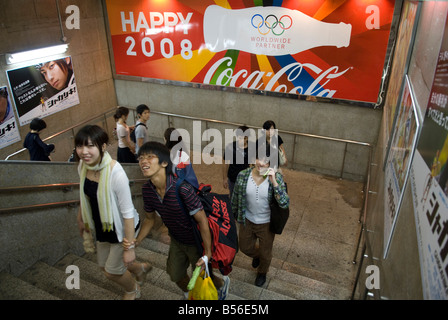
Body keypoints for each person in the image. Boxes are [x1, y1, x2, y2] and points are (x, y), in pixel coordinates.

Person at [126, 141, 228, 299]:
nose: (143, 161)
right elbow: (149, 219)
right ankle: (190, 294)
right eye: (140, 158)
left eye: (149, 157)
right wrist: (137, 240)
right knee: (175, 274)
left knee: (204, 275)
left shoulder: (182, 188)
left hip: (195, 241)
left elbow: (202, 220)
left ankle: (221, 284)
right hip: (176, 240)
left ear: (164, 162)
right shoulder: (147, 190)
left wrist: (207, 253)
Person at [74, 124, 150, 300]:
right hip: (102, 227)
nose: (84, 151)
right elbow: (85, 196)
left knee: (111, 272)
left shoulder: (115, 172)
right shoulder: (83, 167)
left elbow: (128, 213)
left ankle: (133, 289)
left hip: (121, 228)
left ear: (102, 147)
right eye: (79, 146)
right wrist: (80, 218)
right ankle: (139, 268)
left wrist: (129, 247)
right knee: (103, 266)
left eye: (90, 145)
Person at [231, 149, 289, 287]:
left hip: (266, 224)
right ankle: (257, 256)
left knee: (266, 253)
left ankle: (262, 272)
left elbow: (285, 203)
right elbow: (235, 198)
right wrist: (232, 216)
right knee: (245, 247)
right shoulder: (243, 175)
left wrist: (274, 182)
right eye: (259, 159)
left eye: (266, 161)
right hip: (247, 220)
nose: (261, 164)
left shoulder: (277, 178)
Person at [223, 125, 255, 198]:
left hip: (246, 178)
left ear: (247, 137)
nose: (242, 140)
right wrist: (225, 178)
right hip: (233, 178)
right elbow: (225, 163)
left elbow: (253, 163)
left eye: (245, 138)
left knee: (245, 197)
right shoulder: (230, 147)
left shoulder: (252, 147)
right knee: (233, 196)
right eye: (240, 137)